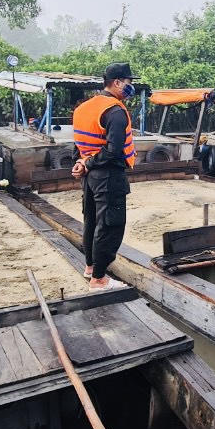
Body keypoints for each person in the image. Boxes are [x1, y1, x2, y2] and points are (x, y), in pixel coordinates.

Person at [71, 62, 139, 290]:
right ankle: (99, 279)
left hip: (90, 176)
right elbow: (113, 150)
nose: (131, 88)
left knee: (91, 220)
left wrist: (81, 163)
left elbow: (79, 144)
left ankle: (90, 267)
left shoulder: (83, 108)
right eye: (128, 83)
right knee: (110, 224)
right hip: (108, 174)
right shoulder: (115, 111)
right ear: (117, 83)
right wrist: (88, 162)